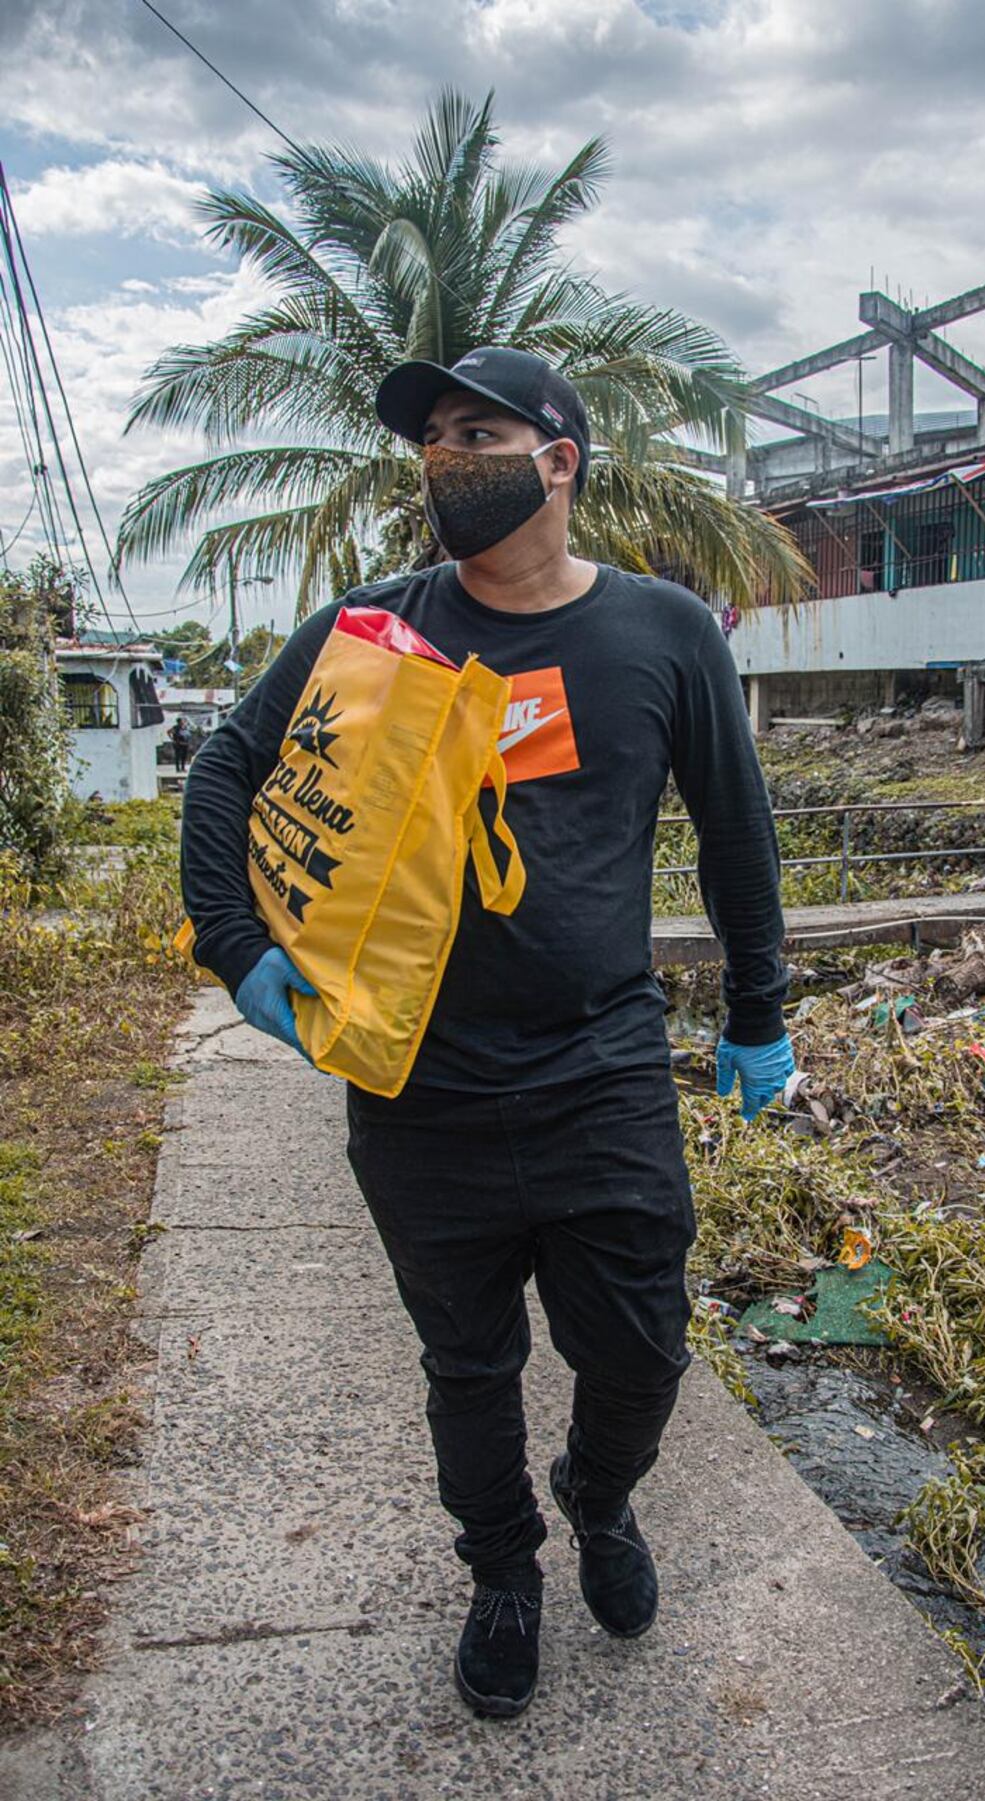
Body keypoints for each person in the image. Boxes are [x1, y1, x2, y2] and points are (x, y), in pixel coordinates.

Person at [180, 346, 794, 1719]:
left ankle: (599, 1489)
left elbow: (739, 837)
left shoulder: (663, 633)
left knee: (639, 1350)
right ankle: (504, 1570)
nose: (440, 457)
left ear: (558, 462)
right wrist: (239, 951)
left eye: (475, 431)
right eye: (430, 437)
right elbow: (228, 766)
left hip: (603, 1072)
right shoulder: (372, 632)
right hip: (420, 1089)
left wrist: (760, 1010)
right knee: (467, 1361)